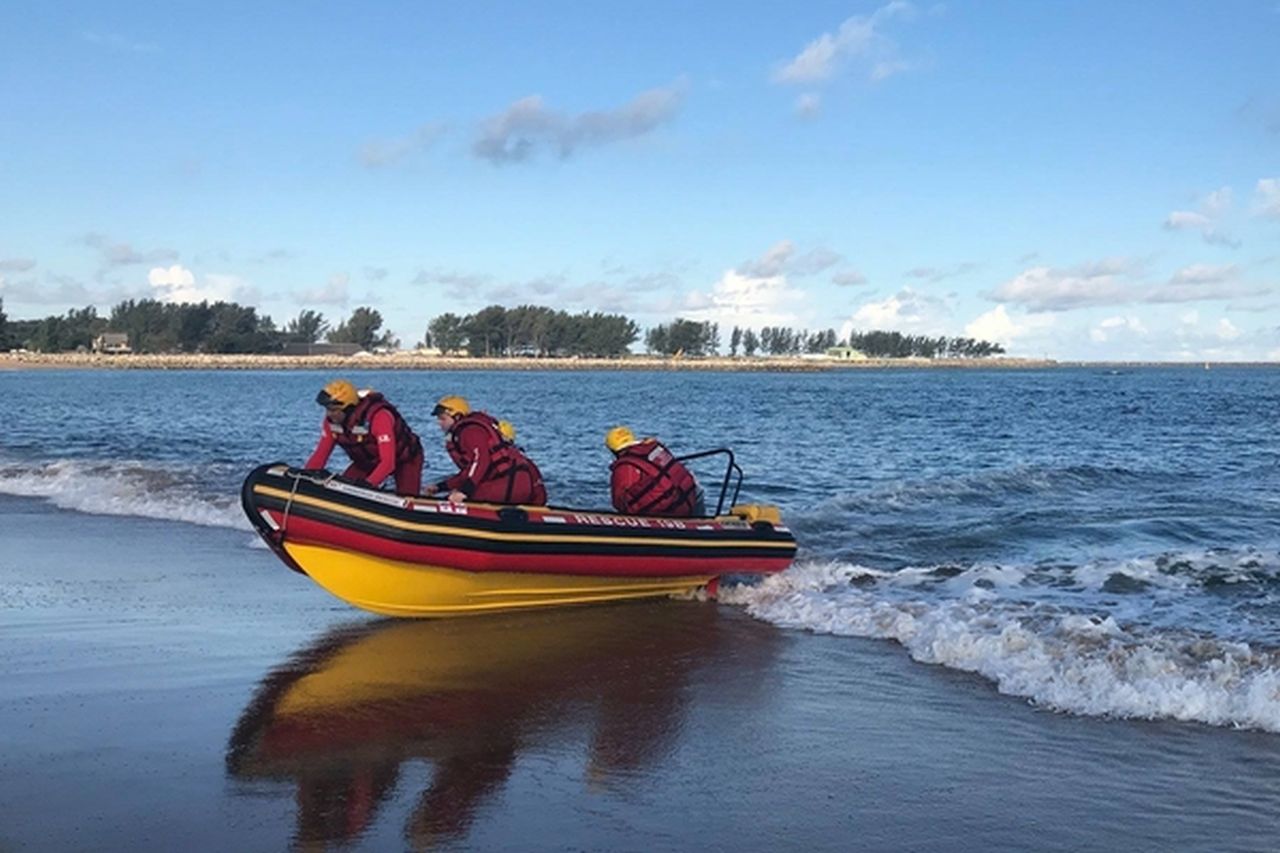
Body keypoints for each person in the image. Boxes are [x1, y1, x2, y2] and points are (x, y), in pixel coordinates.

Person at [304, 379, 424, 495]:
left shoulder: (379, 418)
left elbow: (388, 463)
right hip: (367, 461)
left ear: (348, 408)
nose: (329, 414)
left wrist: (367, 486)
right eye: (327, 409)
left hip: (406, 459)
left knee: (407, 497)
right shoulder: (331, 423)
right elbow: (320, 455)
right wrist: (305, 477)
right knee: (342, 490)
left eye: (334, 410)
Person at [424, 395, 547, 505]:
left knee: (454, 499)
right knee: (456, 494)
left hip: (507, 484)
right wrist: (440, 487)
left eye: (443, 419)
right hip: (515, 483)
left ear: (457, 416)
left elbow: (481, 461)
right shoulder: (469, 432)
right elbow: (470, 471)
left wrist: (465, 492)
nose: (439, 423)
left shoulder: (469, 432)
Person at [605, 426, 705, 517]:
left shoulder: (624, 467)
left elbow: (619, 503)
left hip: (666, 511)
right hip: (688, 500)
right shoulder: (656, 449)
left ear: (613, 451)